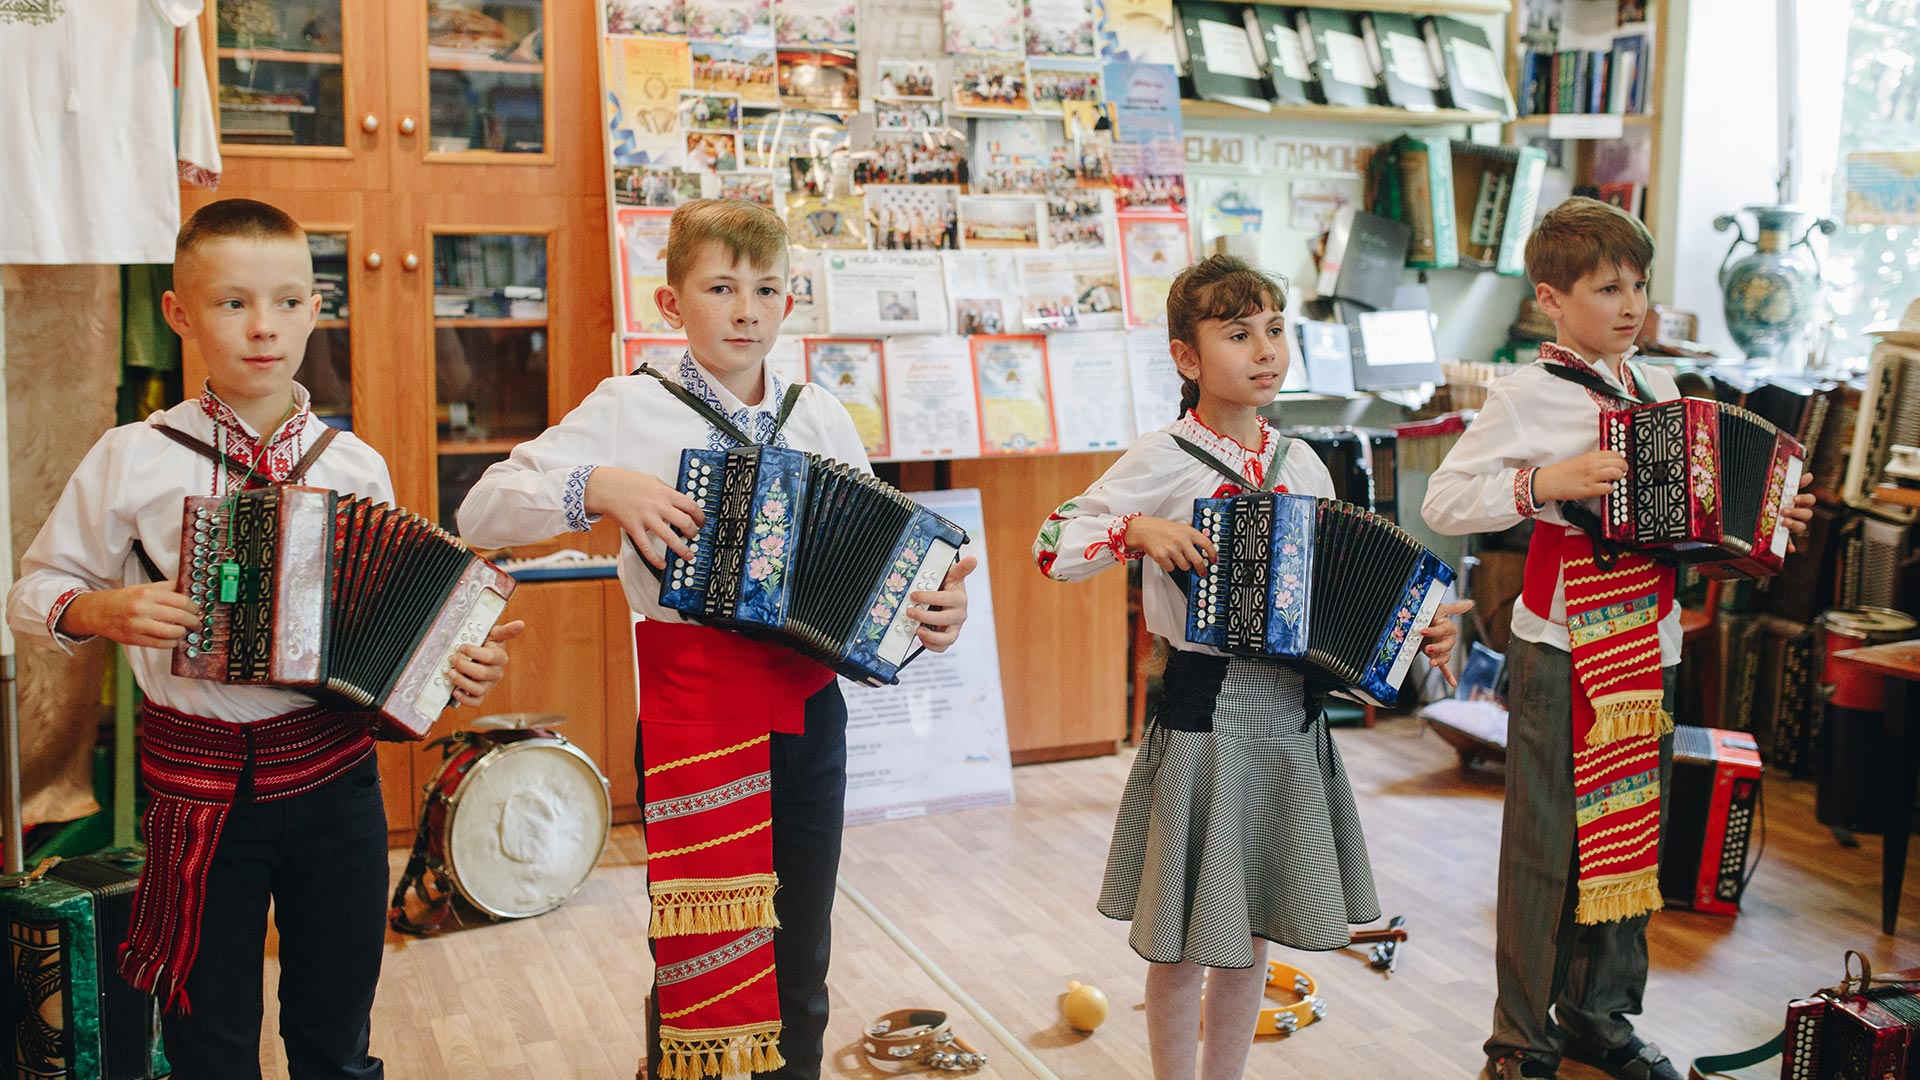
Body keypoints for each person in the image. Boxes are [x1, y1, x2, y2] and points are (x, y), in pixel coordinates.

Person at [456, 199, 977, 1080]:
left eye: (766, 289)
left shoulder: (821, 417)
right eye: (720, 288)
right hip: (691, 713)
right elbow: (482, 508)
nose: (745, 310)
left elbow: (885, 576)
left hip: (812, 716)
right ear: (671, 305)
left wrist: (934, 614)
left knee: (800, 953)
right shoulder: (630, 407)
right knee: (697, 959)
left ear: (790, 299)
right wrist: (603, 485)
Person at [4, 197, 521, 1079]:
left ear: (316, 309)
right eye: (231, 302)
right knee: (211, 1040)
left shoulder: (354, 465)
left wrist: (453, 664)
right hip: (199, 792)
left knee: (336, 1027)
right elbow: (32, 589)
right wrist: (101, 612)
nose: (262, 328)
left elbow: (392, 626)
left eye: (287, 302)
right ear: (179, 313)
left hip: (337, 788)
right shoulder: (135, 454)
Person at [1034, 254, 1469, 1080]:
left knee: (1248, 938)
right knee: (1182, 945)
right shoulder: (1162, 457)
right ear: (1187, 358)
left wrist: (1417, 636)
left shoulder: (1301, 465)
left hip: (1288, 725)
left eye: (1275, 330)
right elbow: (1051, 543)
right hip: (1206, 725)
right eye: (1238, 334)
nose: (1265, 350)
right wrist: (1133, 533)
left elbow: (1335, 598)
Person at [1422, 197, 1815, 1080]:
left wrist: (1767, 517)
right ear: (1552, 299)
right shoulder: (1526, 395)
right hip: (1563, 642)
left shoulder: (1666, 392)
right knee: (1545, 840)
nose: (1632, 303)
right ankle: (1520, 1037)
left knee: (1631, 833)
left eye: (1638, 283)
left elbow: (1695, 525)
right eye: (1608, 287)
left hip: (1651, 640)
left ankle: (1602, 1015)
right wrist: (1544, 481)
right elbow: (1441, 502)